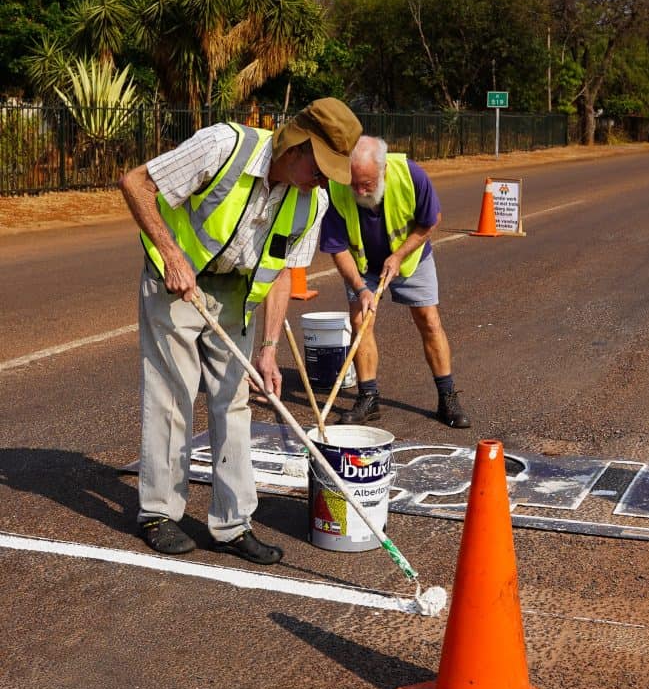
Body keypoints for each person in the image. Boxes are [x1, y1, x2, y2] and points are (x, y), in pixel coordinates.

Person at [119, 98, 362, 563]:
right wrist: (171, 256)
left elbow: (279, 275)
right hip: (176, 284)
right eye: (322, 165)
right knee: (172, 395)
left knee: (234, 402)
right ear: (297, 144)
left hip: (237, 297)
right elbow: (136, 183)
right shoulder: (222, 146)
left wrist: (268, 350)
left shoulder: (313, 203)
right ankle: (159, 513)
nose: (325, 178)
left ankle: (232, 525)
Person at [320, 135, 470, 429]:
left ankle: (447, 397)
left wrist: (399, 255)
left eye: (367, 184)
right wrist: (361, 288)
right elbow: (337, 247)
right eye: (355, 184)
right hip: (361, 263)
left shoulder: (411, 175)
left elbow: (430, 221)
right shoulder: (337, 186)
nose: (360, 191)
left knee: (429, 320)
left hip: (410, 258)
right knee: (361, 321)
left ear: (383, 170)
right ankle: (368, 398)